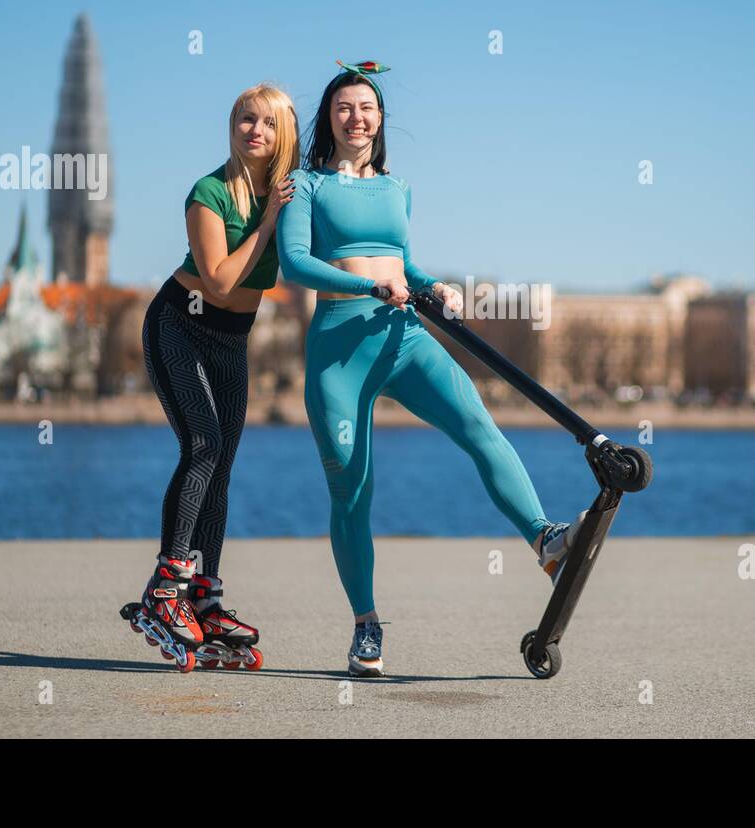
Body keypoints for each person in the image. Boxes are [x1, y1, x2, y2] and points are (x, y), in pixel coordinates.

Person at [279, 61, 584, 677]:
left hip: (404, 338)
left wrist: (433, 285)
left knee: (478, 425)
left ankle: (547, 543)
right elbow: (295, 264)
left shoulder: (398, 187)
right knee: (353, 490)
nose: (355, 116)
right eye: (344, 107)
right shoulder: (304, 185)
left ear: (380, 118)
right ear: (328, 118)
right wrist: (369, 285)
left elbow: (404, 265)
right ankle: (366, 626)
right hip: (339, 352)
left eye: (366, 107)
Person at [132, 83, 299, 671]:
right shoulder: (210, 194)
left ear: (284, 134)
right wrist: (269, 220)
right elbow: (222, 283)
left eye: (267, 123)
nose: (255, 130)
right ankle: (166, 584)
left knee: (221, 465)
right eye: (244, 119)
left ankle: (205, 596)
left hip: (232, 340)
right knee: (201, 445)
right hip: (180, 325)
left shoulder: (290, 192)